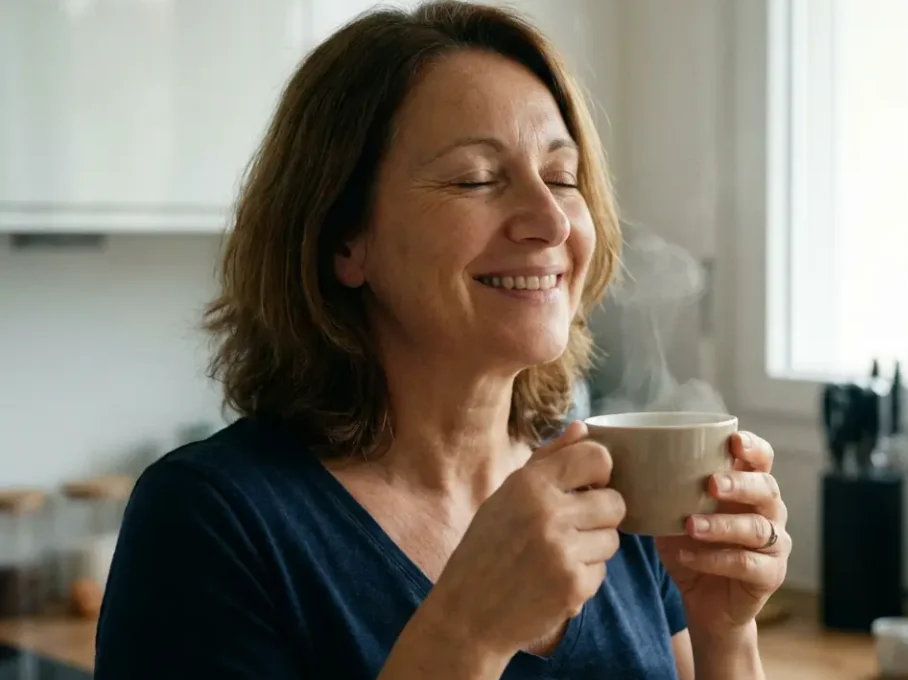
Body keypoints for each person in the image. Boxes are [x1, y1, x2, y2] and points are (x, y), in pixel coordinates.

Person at [92, 2, 791, 679]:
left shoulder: (616, 480)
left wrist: (726, 632)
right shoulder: (211, 522)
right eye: (476, 179)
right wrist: (468, 631)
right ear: (344, 240)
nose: (548, 221)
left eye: (561, 177)